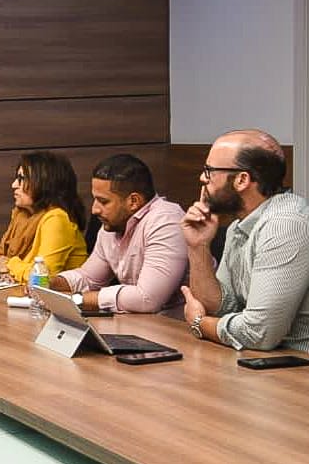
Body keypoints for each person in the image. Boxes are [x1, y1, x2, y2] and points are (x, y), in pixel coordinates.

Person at [181, 129, 309, 351]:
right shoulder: (239, 226)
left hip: (298, 362)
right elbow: (220, 307)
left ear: (242, 180)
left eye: (209, 171)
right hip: (264, 360)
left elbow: (260, 333)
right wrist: (198, 246)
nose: (202, 178)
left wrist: (199, 323)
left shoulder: (285, 225)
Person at [48, 154, 188, 313]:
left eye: (103, 201)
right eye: (95, 199)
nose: (94, 210)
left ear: (134, 201)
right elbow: (89, 278)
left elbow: (147, 299)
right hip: (138, 322)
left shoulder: (166, 221)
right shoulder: (113, 224)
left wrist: (77, 299)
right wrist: (50, 285)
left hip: (177, 324)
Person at [0, 151, 87, 284]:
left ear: (44, 182)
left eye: (21, 179)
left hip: (57, 296)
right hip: (24, 292)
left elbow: (42, 278)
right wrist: (2, 269)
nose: (14, 185)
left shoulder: (57, 218)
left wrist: (9, 264)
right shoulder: (21, 215)